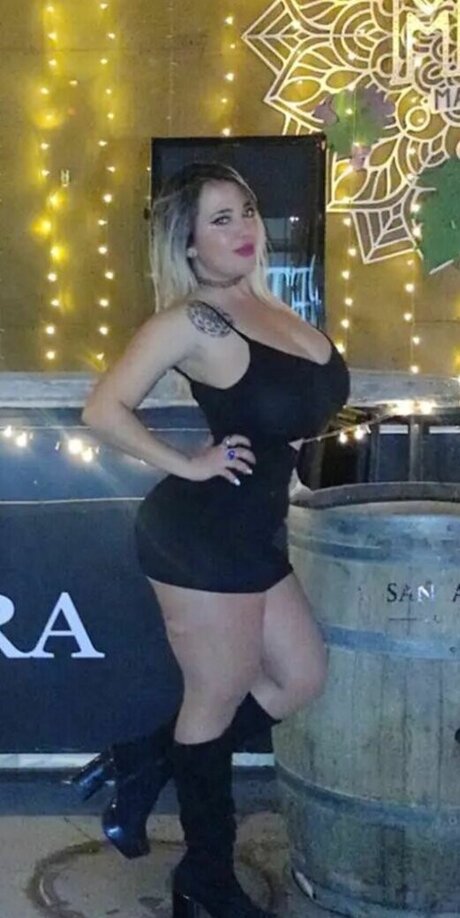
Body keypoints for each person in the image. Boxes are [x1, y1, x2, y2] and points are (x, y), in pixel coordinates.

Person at [78, 161, 350, 918]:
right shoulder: (194, 320)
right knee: (216, 697)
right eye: (220, 219)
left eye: (247, 211)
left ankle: (145, 759)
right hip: (197, 537)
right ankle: (205, 878)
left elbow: (288, 416)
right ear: (189, 243)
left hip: (252, 529)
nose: (243, 229)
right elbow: (103, 410)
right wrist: (189, 463)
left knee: (301, 677)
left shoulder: (269, 306)